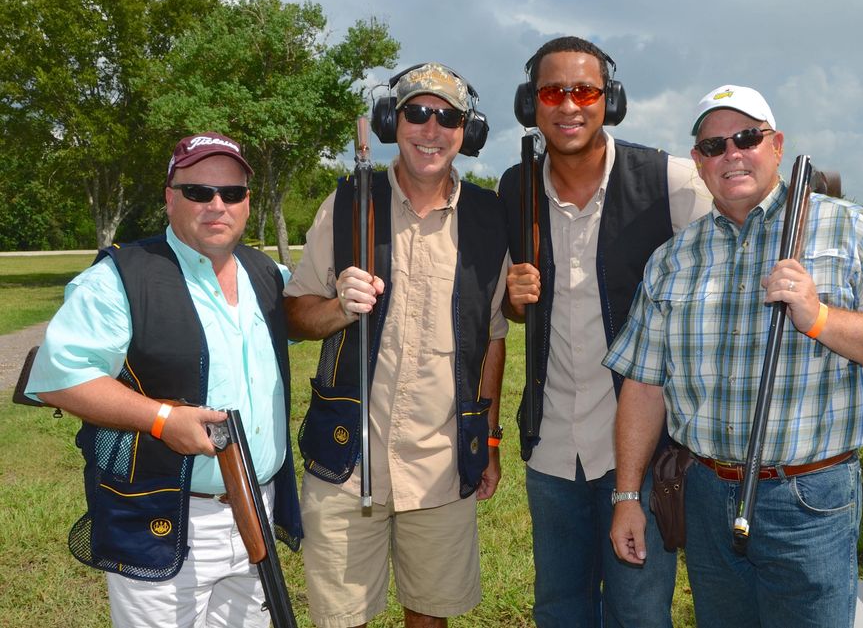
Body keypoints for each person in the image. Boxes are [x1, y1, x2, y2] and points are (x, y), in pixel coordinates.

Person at [605, 84, 863, 627]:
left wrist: (820, 317)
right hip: (706, 493)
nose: (731, 154)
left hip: (810, 497)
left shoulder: (850, 229)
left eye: (746, 138)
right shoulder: (672, 259)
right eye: (713, 146)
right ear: (698, 162)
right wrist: (625, 495)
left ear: (776, 145)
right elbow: (645, 385)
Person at [24, 132, 302, 627]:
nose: (217, 205)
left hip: (259, 506)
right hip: (164, 515)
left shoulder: (266, 274)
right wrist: (161, 419)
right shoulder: (120, 276)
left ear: (247, 203)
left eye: (232, 193)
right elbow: (58, 378)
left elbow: (306, 317)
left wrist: (345, 295)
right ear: (170, 198)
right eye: (199, 192)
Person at [283, 62, 508, 628]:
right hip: (347, 461)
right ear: (391, 121)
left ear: (466, 132)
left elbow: (494, 339)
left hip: (442, 463)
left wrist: (491, 437)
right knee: (340, 618)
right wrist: (337, 308)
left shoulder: (489, 219)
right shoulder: (347, 204)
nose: (430, 129)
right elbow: (293, 315)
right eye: (416, 113)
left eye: (447, 117)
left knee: (430, 615)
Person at [498, 35, 712, 627]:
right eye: (552, 91)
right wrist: (518, 304)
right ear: (530, 104)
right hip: (550, 448)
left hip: (642, 446)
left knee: (638, 614)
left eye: (585, 90)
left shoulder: (670, 181)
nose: (569, 105)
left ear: (609, 100)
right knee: (559, 610)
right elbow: (522, 312)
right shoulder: (515, 189)